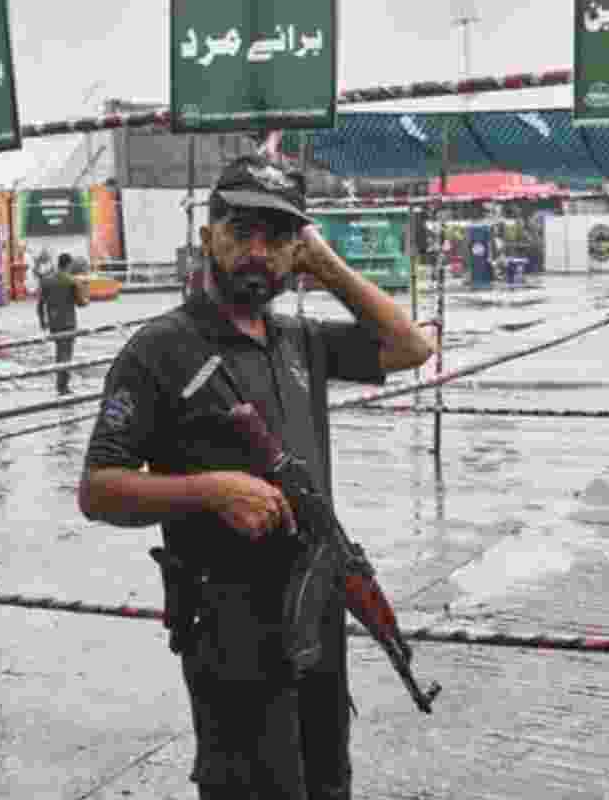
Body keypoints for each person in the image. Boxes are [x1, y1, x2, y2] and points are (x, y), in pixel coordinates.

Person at [78, 155, 435, 800]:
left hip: (314, 617)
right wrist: (210, 491)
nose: (258, 251)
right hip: (227, 630)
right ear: (207, 235)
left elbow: (412, 346)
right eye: (241, 231)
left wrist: (326, 265)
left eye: (277, 238)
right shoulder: (160, 349)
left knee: (326, 781)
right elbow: (98, 488)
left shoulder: (299, 338)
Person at [37, 253, 90, 394]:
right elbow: (82, 303)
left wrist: (42, 321)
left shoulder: (47, 280)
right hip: (68, 323)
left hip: (54, 322)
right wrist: (85, 290)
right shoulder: (72, 281)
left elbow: (40, 304)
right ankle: (63, 386)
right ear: (69, 265)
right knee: (66, 355)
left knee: (60, 352)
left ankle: (61, 384)